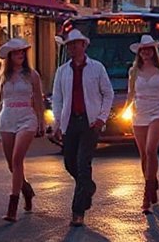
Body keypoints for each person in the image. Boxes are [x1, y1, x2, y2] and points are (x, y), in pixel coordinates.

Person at [51, 28, 114, 227]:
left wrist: (102, 118)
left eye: (74, 44)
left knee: (83, 162)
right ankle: (88, 187)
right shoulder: (62, 71)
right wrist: (58, 123)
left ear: (84, 46)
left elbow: (108, 93)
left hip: (90, 122)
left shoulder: (97, 68)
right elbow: (58, 99)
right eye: (69, 44)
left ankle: (77, 211)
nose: (71, 47)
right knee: (70, 162)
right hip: (70, 122)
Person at [0, 38, 45, 222]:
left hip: (26, 117)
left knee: (18, 159)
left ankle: (12, 207)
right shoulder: (2, 76)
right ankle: (26, 189)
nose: (20, 55)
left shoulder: (32, 75)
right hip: (7, 117)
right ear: (9, 56)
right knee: (11, 164)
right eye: (17, 52)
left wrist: (41, 121)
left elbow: (39, 101)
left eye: (23, 52)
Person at [125, 34, 159, 214]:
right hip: (140, 112)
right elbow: (130, 94)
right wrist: (124, 110)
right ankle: (152, 183)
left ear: (154, 51)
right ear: (139, 53)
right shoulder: (133, 71)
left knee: (150, 149)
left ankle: (147, 194)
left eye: (148, 49)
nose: (145, 52)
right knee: (144, 156)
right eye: (142, 50)